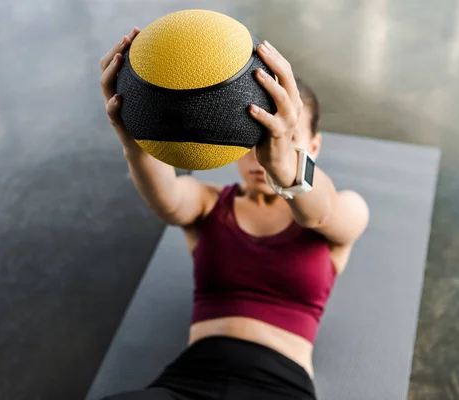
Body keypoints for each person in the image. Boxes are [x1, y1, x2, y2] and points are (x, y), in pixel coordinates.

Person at [99, 27, 370, 400]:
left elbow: (319, 214)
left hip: (280, 386)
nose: (262, 155)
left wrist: (285, 164)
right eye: (254, 137)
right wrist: (134, 137)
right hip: (189, 379)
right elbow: (167, 202)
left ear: (313, 146)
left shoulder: (343, 210)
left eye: (283, 137)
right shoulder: (210, 204)